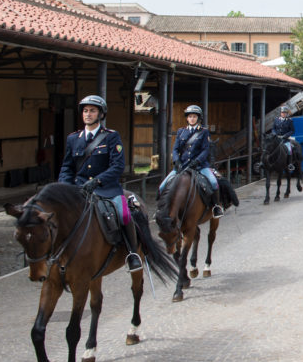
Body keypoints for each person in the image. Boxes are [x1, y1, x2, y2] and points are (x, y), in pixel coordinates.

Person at [58, 95, 143, 272]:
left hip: (106, 189)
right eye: (85, 111)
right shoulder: (73, 138)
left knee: (124, 214)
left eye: (92, 111)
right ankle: (56, 253)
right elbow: (67, 166)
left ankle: (132, 253)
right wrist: (64, 187)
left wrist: (97, 181)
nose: (88, 114)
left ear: (101, 114)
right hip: (79, 189)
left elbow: (117, 166)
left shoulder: (111, 137)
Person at [159, 105, 225, 218]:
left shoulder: (204, 132)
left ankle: (216, 207)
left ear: (198, 118)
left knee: (213, 183)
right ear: (187, 118)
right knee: (162, 186)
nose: (192, 119)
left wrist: (197, 161)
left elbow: (205, 150)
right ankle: (161, 209)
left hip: (200, 166)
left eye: (194, 116)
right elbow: (175, 149)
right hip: (182, 166)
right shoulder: (181, 132)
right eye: (190, 116)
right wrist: (176, 161)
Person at [272, 106, 298, 172]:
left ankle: (290, 164)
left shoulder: (289, 121)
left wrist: (285, 135)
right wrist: (274, 133)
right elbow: (273, 129)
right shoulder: (276, 120)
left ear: (286, 114)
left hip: (285, 139)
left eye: (285, 113)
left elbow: (292, 130)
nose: (283, 114)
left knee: (289, 150)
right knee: (269, 148)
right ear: (280, 113)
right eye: (282, 113)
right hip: (277, 139)